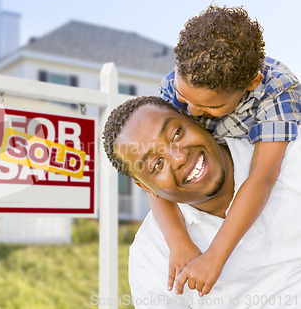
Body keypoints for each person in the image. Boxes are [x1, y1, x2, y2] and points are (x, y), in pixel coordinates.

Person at [154, 5, 301, 296]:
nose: (191, 111)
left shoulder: (278, 90)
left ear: (251, 84)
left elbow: (263, 175)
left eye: (211, 107)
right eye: (184, 98)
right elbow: (150, 168)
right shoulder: (174, 85)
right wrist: (178, 240)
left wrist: (215, 256)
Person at [103, 96, 301, 308]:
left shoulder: (289, 156)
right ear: (146, 188)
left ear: (195, 120)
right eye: (157, 164)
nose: (178, 158)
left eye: (176, 134)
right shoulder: (151, 254)